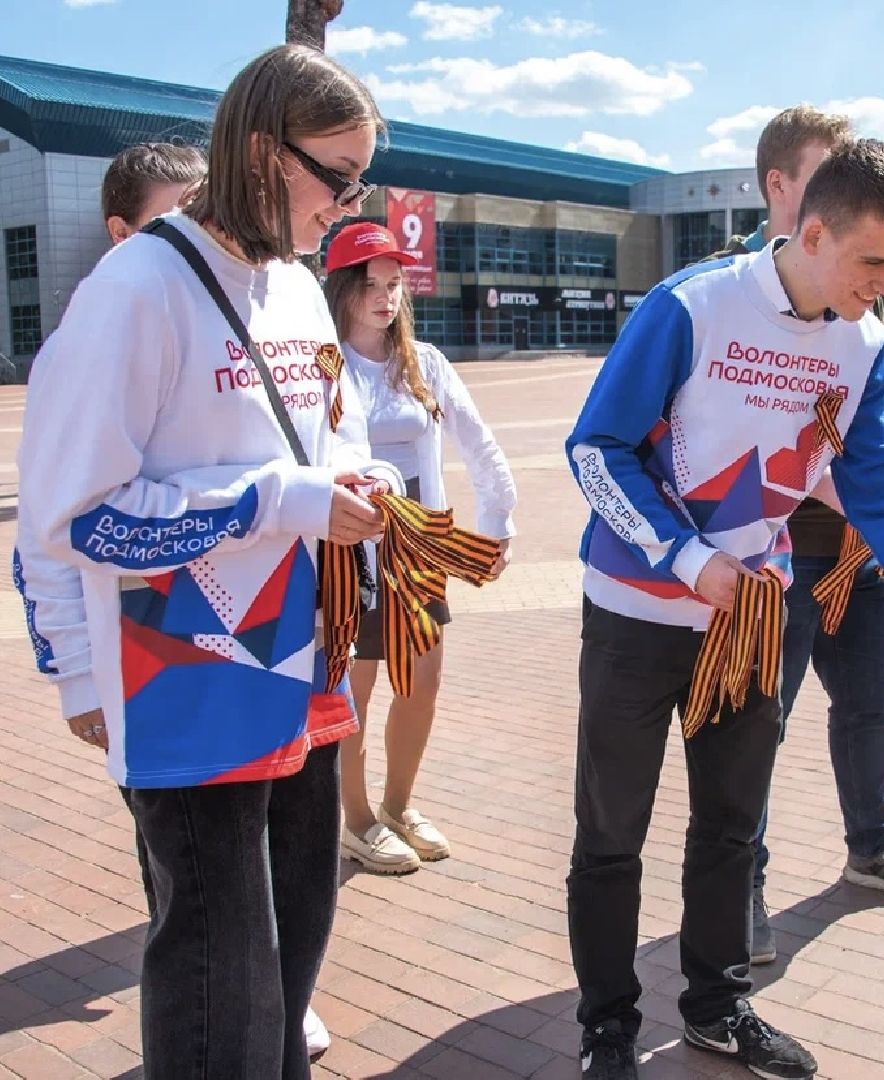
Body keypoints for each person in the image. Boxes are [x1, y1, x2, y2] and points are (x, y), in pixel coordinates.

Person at [564, 138, 884, 1080]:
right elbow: (596, 451)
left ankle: (719, 1008)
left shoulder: (863, 342)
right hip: (640, 612)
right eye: (874, 264)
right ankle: (607, 1030)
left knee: (731, 826)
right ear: (813, 233)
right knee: (613, 832)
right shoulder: (690, 305)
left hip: (752, 620)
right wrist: (689, 559)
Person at [14, 45, 403, 1079]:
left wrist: (356, 481)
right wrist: (278, 502)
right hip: (185, 676)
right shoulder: (136, 289)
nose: (351, 207)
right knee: (218, 966)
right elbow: (77, 516)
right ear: (266, 154)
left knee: (297, 937)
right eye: (340, 176)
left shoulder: (298, 289)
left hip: (301, 665)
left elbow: (330, 428)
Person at [708, 106, 884, 970]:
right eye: (827, 177)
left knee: (872, 698)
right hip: (778, 559)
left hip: (862, 552)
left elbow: (878, 427)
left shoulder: (860, 307)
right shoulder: (720, 295)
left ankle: (875, 845)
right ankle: (743, 882)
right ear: (785, 190)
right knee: (757, 722)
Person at [323, 222, 517, 874]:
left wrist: (498, 523)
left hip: (419, 557)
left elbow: (479, 442)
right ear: (343, 289)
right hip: (351, 560)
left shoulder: (424, 362)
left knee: (423, 684)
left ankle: (397, 805)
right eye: (371, 285)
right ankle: (352, 819)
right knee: (354, 690)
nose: (385, 297)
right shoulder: (323, 364)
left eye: (394, 284)